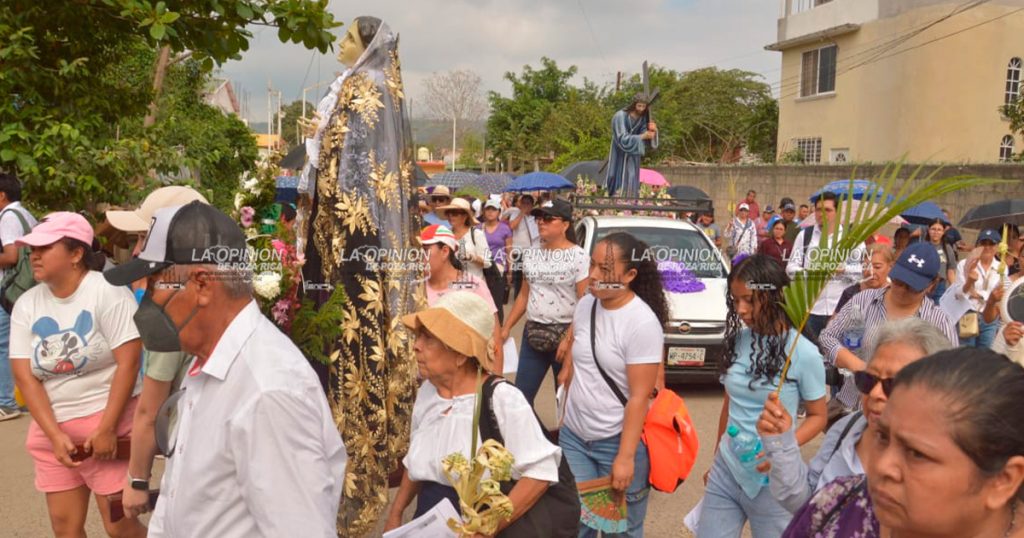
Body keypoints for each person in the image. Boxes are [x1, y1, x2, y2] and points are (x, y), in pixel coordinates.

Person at [104, 201, 347, 537]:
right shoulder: (210, 363)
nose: (143, 296)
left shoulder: (267, 390)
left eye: (155, 282)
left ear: (202, 285)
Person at [294, 16, 420, 533]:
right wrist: (320, 135)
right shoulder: (353, 89)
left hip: (355, 238)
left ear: (369, 48)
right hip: (341, 236)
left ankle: (358, 469)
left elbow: (355, 167)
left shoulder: (366, 92)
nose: (341, 46)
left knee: (354, 333)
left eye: (349, 39)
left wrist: (323, 137)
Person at [783, 348, 1024, 537]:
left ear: (1004, 480)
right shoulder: (837, 502)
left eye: (917, 454)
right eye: (882, 436)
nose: (880, 466)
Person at [9, 212, 146, 538]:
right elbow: (25, 376)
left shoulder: (107, 293)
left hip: (109, 430)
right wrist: (54, 435)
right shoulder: (27, 304)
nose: (34, 255)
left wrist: (108, 429)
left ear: (76, 253)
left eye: (45, 247)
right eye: (32, 248)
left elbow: (129, 363)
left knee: (120, 527)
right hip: (55, 435)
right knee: (65, 529)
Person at [384, 292, 568, 534]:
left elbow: (539, 473)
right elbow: (418, 459)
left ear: (460, 353)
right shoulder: (428, 393)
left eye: (428, 339)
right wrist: (396, 513)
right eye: (418, 336)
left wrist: (486, 528)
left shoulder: (502, 399)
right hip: (431, 523)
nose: (416, 346)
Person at [758, 318, 953, 514]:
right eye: (868, 379)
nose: (876, 393)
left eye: (893, 384)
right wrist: (782, 442)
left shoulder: (945, 465)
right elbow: (808, 505)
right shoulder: (847, 428)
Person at [699, 255, 827, 538]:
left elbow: (819, 416)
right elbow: (728, 405)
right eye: (735, 300)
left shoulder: (803, 353)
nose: (741, 310)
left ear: (773, 297)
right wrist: (715, 460)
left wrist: (784, 447)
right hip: (727, 469)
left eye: (750, 300)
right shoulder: (737, 342)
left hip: (775, 480)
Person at [103, 185, 210, 519]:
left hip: (191, 452)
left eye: (142, 238)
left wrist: (137, 480)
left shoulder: (172, 311)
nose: (135, 251)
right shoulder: (216, 294)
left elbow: (150, 410)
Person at [557, 232, 668, 537]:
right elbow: (581, 360)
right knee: (577, 524)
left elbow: (638, 397)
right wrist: (566, 410)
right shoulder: (586, 305)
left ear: (630, 275)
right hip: (575, 439)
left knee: (621, 530)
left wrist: (625, 457)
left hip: (616, 443)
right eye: (592, 265)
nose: (592, 275)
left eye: (604, 270)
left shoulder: (641, 323)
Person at [820, 242, 958, 413]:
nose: (901, 290)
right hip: (852, 407)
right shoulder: (864, 301)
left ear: (932, 285)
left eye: (911, 287)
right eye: (898, 282)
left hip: (903, 416)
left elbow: (949, 376)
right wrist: (859, 367)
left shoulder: (939, 322)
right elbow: (827, 337)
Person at [500, 199, 589, 406]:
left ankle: (562, 439)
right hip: (533, 334)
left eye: (548, 219)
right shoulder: (531, 254)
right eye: (539, 218)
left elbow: (585, 303)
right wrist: (506, 328)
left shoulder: (579, 257)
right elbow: (524, 295)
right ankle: (536, 437)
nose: (541, 223)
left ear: (565, 225)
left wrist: (569, 339)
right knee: (521, 399)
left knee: (566, 399)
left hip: (564, 335)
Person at [420, 224, 503, 371]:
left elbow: (494, 338)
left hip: (467, 380)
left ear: (445, 251)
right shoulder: (417, 288)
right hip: (428, 379)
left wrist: (495, 384)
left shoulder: (474, 285)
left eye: (425, 251)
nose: (419, 257)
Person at [786, 192, 866, 343]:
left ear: (837, 212)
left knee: (839, 358)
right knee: (807, 356)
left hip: (842, 310)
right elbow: (790, 269)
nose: (822, 213)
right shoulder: (805, 236)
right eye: (818, 209)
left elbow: (861, 272)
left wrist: (843, 269)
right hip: (810, 309)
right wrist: (812, 273)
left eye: (827, 210)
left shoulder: (852, 239)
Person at [0, 172, 37, 421]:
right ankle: (21, 399)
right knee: (20, 342)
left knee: (3, 344)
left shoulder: (8, 217)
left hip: (11, 289)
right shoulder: (25, 214)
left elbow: (11, 256)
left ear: (2, 195)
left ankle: (5, 402)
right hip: (27, 288)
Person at [953, 228, 1010, 348]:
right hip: (968, 312)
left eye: (991, 244)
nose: (987, 247)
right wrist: (969, 282)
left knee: (985, 355)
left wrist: (978, 294)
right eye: (984, 243)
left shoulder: (1002, 268)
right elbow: (958, 293)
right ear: (977, 245)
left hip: (989, 316)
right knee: (966, 354)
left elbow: (998, 293)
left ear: (998, 247)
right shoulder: (964, 264)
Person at [605, 94, 658, 198]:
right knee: (613, 176)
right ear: (634, 105)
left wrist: (652, 131)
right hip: (619, 152)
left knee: (631, 176)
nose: (641, 109)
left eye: (643, 106)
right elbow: (621, 137)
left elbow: (646, 136)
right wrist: (641, 137)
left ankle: (629, 201)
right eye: (639, 106)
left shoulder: (643, 118)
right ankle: (614, 197)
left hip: (633, 153)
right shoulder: (620, 116)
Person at [438, 197, 491, 282]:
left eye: (455, 213)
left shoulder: (477, 234)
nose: (451, 216)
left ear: (465, 216)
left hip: (474, 286)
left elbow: (487, 261)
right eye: (448, 213)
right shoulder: (445, 234)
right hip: (451, 286)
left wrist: (471, 257)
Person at [834, 243, 895, 314]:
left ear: (890, 266)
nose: (870, 272)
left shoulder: (897, 295)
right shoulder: (850, 293)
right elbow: (835, 322)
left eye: (877, 267)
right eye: (865, 266)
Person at [480, 199, 513, 319]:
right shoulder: (478, 228)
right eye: (488, 209)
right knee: (482, 302)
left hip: (499, 269)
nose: (490, 212)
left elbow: (509, 250)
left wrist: (510, 270)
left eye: (493, 209)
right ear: (484, 211)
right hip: (482, 268)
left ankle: (498, 332)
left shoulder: (505, 229)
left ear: (499, 212)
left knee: (497, 303)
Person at [504, 194, 539, 301]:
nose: (526, 205)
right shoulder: (515, 213)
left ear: (532, 205)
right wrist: (522, 213)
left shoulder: (535, 216)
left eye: (528, 203)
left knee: (530, 276)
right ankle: (517, 299)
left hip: (532, 250)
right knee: (519, 277)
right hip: (518, 250)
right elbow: (512, 226)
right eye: (524, 203)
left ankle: (530, 298)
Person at [925, 218, 957, 305]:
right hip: (924, 284)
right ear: (929, 230)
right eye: (933, 229)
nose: (936, 232)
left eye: (939, 230)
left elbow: (950, 270)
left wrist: (954, 288)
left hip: (940, 286)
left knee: (937, 312)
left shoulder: (947, 248)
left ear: (943, 232)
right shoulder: (923, 247)